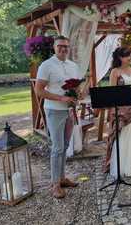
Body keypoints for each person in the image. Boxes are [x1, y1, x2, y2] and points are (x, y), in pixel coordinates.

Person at [35, 35, 81, 198]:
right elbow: (39, 90)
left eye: (66, 46)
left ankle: (62, 178)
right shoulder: (46, 65)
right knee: (57, 147)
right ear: (54, 48)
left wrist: (77, 95)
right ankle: (55, 185)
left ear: (69, 48)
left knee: (66, 144)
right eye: (60, 46)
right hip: (54, 110)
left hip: (69, 110)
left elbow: (76, 86)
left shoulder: (73, 66)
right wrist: (61, 98)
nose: (63, 49)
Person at [104, 46, 131, 177]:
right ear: (119, 58)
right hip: (122, 107)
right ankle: (123, 165)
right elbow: (112, 91)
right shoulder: (115, 72)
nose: (130, 58)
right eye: (126, 55)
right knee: (123, 134)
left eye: (130, 55)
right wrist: (126, 96)